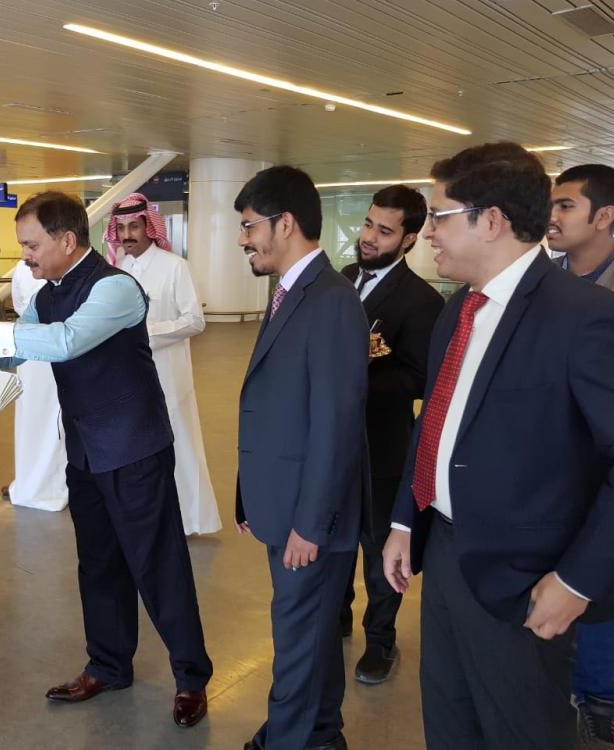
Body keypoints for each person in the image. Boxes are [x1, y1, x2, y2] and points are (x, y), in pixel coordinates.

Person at [383, 142, 614, 750]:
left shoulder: (587, 316)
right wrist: (406, 518)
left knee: (520, 730)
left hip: (529, 576)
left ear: (492, 220)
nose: (428, 233)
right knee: (450, 721)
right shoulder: (460, 309)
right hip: (449, 550)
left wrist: (578, 581)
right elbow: (438, 420)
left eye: (440, 217)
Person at [0, 191, 213, 728]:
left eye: (32, 245)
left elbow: (64, 343)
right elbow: (19, 349)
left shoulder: (116, 288)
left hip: (134, 449)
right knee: (99, 564)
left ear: (67, 240)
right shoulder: (50, 290)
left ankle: (191, 676)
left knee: (158, 563)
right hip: (85, 450)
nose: (26, 257)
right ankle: (108, 664)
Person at [234, 166, 369, 750]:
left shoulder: (332, 301)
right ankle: (320, 733)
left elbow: (336, 425)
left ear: (284, 223)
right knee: (311, 634)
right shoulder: (290, 291)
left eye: (248, 226)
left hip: (309, 518)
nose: (243, 239)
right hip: (284, 502)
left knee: (295, 636)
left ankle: (285, 741)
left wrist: (311, 524)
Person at [548, 163, 614, 750]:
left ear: (604, 216)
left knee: (600, 581)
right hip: (546, 465)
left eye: (565, 206)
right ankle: (551, 685)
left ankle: (600, 700)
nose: (551, 218)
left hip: (609, 469)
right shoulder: (543, 278)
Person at [339, 185, 444, 683]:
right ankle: (335, 617)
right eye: (367, 224)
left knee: (380, 546)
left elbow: (420, 377)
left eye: (384, 230)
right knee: (333, 534)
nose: (369, 237)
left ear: (408, 239)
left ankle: (381, 640)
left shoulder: (421, 300)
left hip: (382, 445)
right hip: (334, 443)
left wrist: (357, 374)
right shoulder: (340, 280)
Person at [106, 192, 221, 535]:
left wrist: (148, 332)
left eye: (134, 226)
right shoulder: (119, 270)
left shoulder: (175, 267)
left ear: (149, 227)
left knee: (179, 442)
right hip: (128, 377)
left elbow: (195, 321)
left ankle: (190, 519)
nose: (127, 235)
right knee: (138, 447)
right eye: (121, 227)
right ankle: (147, 516)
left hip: (168, 374)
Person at [5, 258, 68, 511]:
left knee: (56, 420)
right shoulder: (21, 268)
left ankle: (55, 485)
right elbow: (21, 306)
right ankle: (29, 481)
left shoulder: (63, 267)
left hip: (55, 349)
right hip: (29, 353)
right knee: (30, 419)